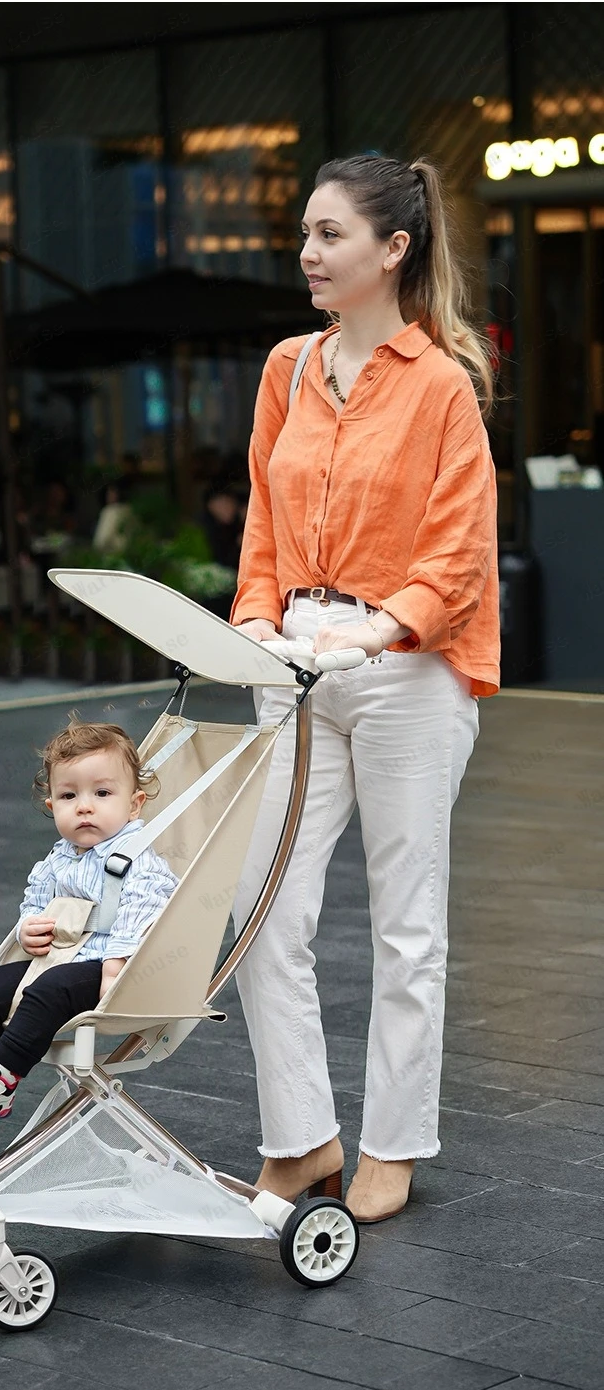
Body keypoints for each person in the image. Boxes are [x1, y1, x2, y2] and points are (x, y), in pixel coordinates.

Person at [231, 155, 499, 1223]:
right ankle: (302, 1140)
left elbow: (459, 548)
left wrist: (381, 629)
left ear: (393, 250)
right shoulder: (287, 367)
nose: (307, 252)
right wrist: (257, 618)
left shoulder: (441, 383)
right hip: (293, 660)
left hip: (404, 670)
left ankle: (393, 1144)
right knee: (260, 910)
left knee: (405, 925)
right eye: (305, 232)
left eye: (329, 234)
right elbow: (262, 510)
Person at [0, 719, 178, 1138]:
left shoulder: (135, 857)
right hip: (62, 958)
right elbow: (36, 900)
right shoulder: (60, 856)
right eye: (69, 796)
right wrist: (28, 927)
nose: (84, 807)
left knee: (49, 989)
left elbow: (142, 910)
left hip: (112, 968)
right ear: (52, 805)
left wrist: (115, 967)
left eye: (102, 794)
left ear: (134, 805)